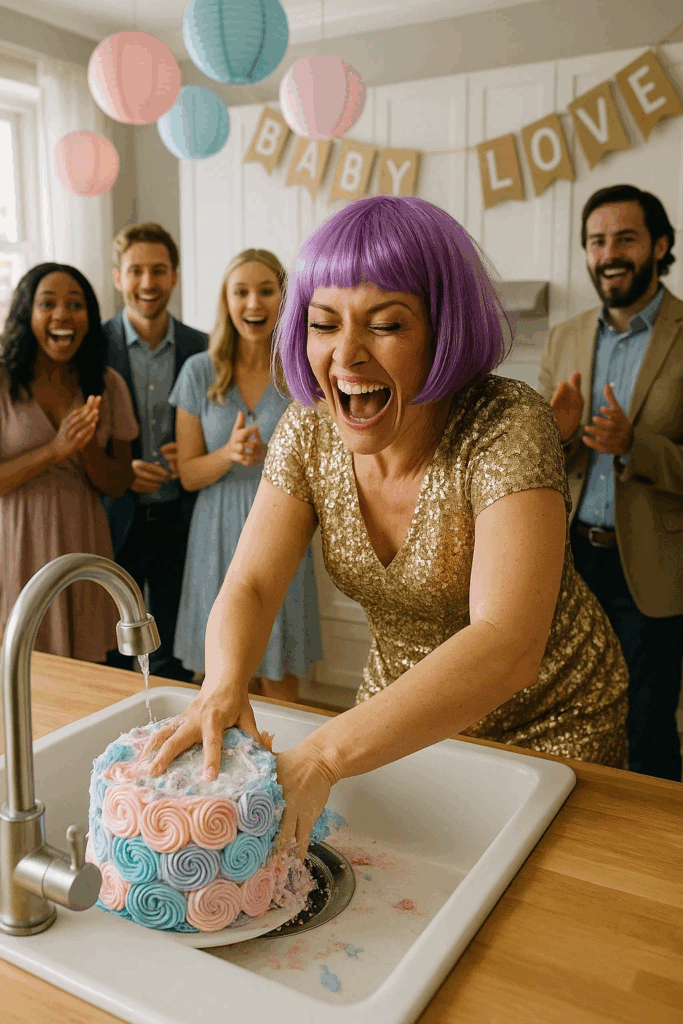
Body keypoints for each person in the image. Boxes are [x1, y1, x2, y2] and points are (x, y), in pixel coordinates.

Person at [142, 195, 629, 860]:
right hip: (398, 707)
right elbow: (251, 583)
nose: (346, 354)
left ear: (444, 330)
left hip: (553, 721)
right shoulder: (307, 429)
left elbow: (508, 643)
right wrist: (222, 683)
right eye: (323, 323)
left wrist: (323, 753)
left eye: (386, 325)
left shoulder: (506, 424)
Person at [538, 184, 683, 782]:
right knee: (564, 715)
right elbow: (541, 458)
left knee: (646, 732)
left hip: (650, 569)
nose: (609, 254)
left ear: (661, 245)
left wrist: (634, 446)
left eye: (625, 238)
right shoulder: (564, 335)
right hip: (568, 563)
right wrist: (558, 433)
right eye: (597, 241)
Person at [168, 249, 322, 701]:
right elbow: (188, 475)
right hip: (214, 532)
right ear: (227, 301)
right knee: (219, 676)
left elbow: (322, 465)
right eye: (241, 292)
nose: (253, 303)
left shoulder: (301, 372)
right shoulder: (198, 372)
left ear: (285, 300)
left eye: (266, 291)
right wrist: (229, 454)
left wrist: (271, 457)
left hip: (283, 526)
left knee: (278, 672)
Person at [0, 263, 138, 661]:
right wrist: (54, 450)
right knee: (18, 667)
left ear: (89, 318)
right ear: (27, 315)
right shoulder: (4, 383)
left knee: (84, 672)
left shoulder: (108, 384)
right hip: (15, 544)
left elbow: (119, 483)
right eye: (48, 304)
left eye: (75, 305)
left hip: (82, 543)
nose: (62, 314)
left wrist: (86, 447)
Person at [102, 223, 208, 683]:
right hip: (112, 519)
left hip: (180, 520)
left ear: (174, 276)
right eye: (136, 271)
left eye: (159, 270)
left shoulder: (202, 347)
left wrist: (195, 448)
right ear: (118, 277)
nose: (148, 282)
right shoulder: (93, 346)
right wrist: (120, 469)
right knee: (109, 652)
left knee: (174, 658)